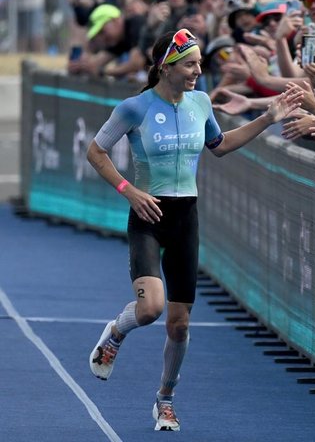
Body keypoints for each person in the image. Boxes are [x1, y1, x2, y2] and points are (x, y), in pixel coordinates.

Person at [85, 29, 300, 431]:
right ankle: (115, 333)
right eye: (190, 64)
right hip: (148, 215)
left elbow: (219, 145)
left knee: (179, 323)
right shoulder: (134, 108)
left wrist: (267, 119)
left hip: (186, 218)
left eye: (199, 63)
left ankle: (165, 400)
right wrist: (128, 191)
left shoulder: (201, 102)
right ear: (166, 66)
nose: (198, 71)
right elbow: (96, 151)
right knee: (150, 309)